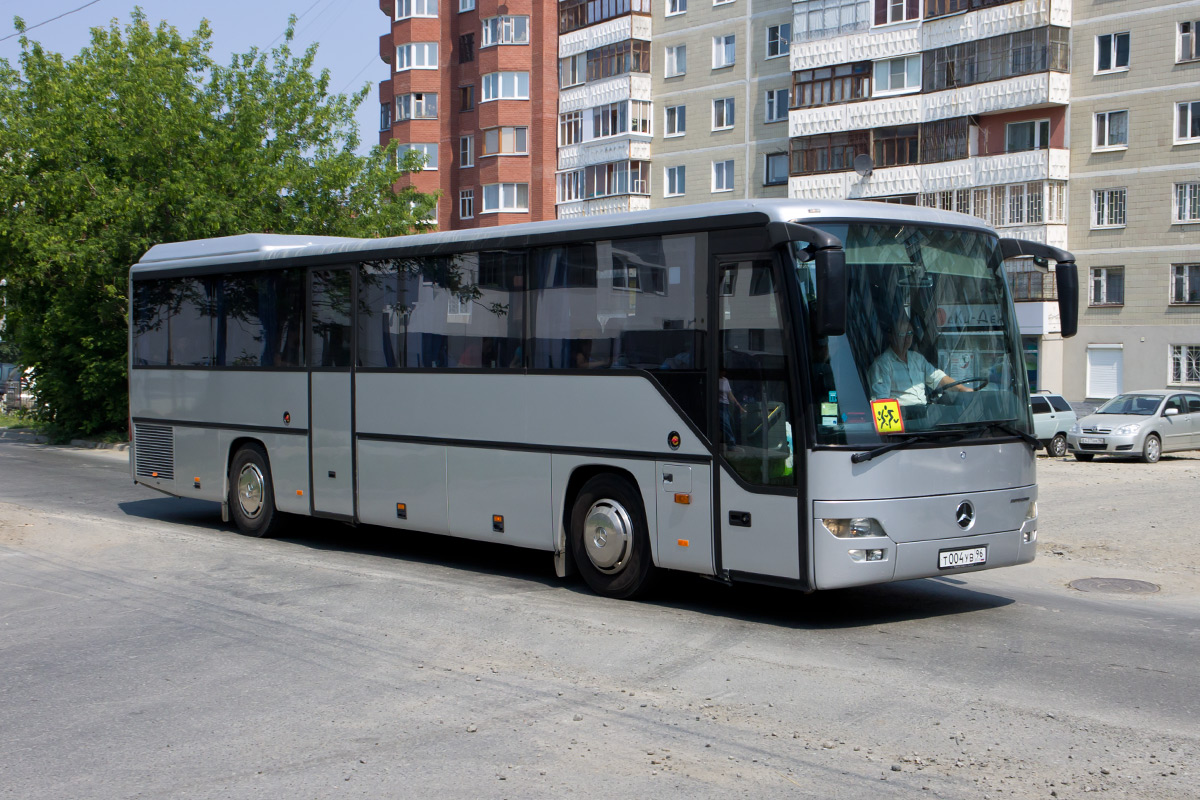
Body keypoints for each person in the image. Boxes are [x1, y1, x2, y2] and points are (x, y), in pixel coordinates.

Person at [868, 315, 972, 406]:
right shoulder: (882, 364)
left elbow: (938, 378)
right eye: (902, 334)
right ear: (891, 336)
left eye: (910, 333)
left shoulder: (917, 359)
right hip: (903, 418)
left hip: (923, 416)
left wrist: (963, 390)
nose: (907, 338)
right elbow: (882, 402)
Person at [719, 370, 745, 446]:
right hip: (719, 405)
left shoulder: (725, 380)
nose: (724, 372)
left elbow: (730, 395)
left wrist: (739, 406)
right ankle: (731, 443)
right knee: (726, 425)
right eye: (722, 370)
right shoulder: (714, 379)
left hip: (726, 405)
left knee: (730, 422)